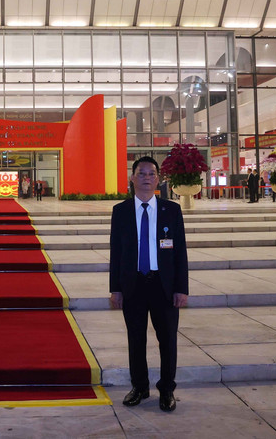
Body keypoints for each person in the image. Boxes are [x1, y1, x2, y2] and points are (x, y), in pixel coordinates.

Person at [109, 156, 188, 413]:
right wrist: (116, 288)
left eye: (151, 173)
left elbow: (180, 252)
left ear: (158, 179)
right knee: (136, 339)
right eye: (141, 173)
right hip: (133, 285)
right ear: (132, 178)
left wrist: (181, 288)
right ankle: (140, 387)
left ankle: (167, 389)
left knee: (167, 340)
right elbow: (116, 253)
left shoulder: (171, 210)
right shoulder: (120, 211)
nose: (146, 177)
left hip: (163, 286)